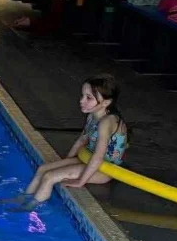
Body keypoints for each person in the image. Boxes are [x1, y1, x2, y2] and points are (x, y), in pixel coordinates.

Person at [19, 75, 127, 206]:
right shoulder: (93, 116)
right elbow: (82, 140)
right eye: (82, 95)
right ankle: (22, 199)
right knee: (43, 169)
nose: (82, 101)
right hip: (88, 159)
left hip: (104, 169)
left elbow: (98, 156)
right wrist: (66, 161)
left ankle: (29, 209)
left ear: (105, 102)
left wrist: (80, 181)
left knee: (50, 177)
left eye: (89, 98)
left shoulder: (107, 122)